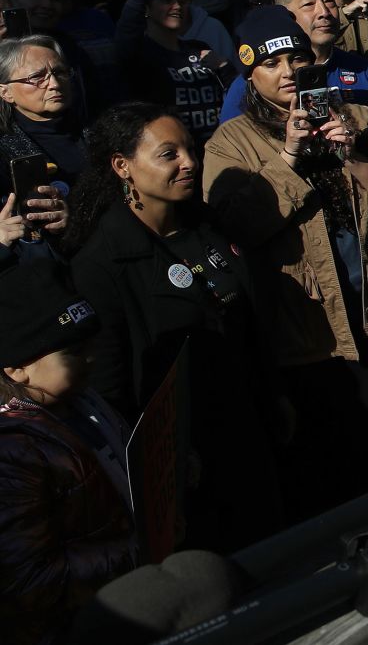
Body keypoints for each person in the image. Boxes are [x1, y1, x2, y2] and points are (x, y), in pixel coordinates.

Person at [203, 6, 368, 513]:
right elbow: (238, 225)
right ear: (249, 74)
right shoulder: (230, 142)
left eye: (295, 58)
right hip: (305, 325)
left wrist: (355, 156)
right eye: (272, 62)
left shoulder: (355, 116)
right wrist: (289, 156)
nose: (287, 72)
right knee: (330, 462)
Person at [65, 103, 283, 551]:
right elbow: (110, 385)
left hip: (247, 428)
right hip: (185, 462)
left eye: (190, 148)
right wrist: (161, 462)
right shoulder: (102, 264)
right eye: (169, 154)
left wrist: (273, 396)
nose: (189, 162)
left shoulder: (206, 225)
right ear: (122, 166)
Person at [0, 262, 136, 645]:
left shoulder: (83, 404)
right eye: (74, 351)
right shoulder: (12, 450)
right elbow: (28, 578)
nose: (91, 358)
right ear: (17, 369)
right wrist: (134, 552)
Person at [217, 0, 368, 142]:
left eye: (329, 1)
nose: (324, 12)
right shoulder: (254, 82)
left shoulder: (366, 72)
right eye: (308, 4)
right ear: (283, 13)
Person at [115, 0, 230, 145]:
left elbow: (234, 93)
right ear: (147, 8)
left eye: (182, 1)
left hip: (218, 150)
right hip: (173, 151)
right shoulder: (140, 53)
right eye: (167, 0)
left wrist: (225, 68)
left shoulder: (199, 48)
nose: (177, 6)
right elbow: (124, 39)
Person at [0, 36, 76, 270]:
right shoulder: (4, 150)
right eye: (37, 77)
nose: (53, 84)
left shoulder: (98, 133)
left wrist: (76, 218)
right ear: (6, 93)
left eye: (60, 72)